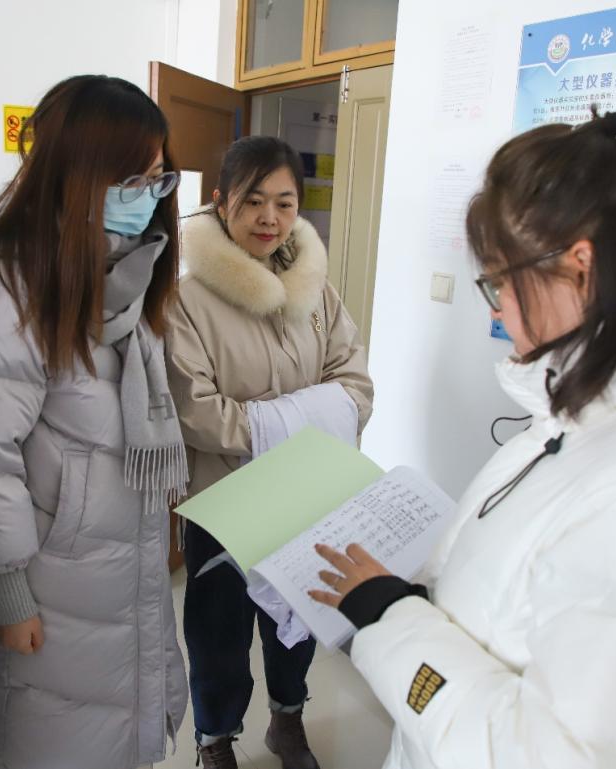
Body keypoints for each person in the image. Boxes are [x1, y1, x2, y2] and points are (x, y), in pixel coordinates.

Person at [309, 101, 616, 769]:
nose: (500, 309)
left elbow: (562, 755)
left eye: (499, 281)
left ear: (579, 268)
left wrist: (391, 618)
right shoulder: (590, 417)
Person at [0, 74, 188, 769]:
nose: (149, 198)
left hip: (119, 565)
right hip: (50, 587)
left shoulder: (125, 280)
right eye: (131, 181)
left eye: (158, 180)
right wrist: (7, 592)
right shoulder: (3, 295)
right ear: (74, 174)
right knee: (61, 737)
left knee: (119, 728)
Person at [165, 135, 374, 769]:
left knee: (300, 621)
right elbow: (195, 409)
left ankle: (288, 720)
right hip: (224, 500)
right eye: (253, 201)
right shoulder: (187, 299)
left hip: (306, 492)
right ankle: (215, 740)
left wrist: (294, 423)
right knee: (219, 634)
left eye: (285, 203)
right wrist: (297, 419)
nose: (269, 218)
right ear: (220, 200)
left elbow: (353, 382)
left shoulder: (315, 291)